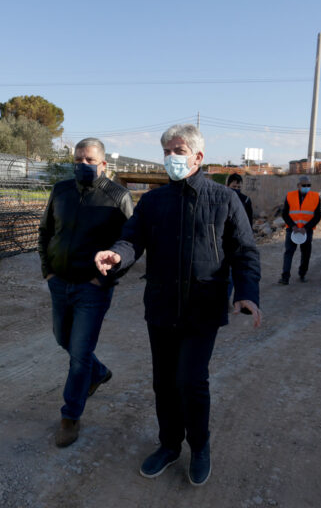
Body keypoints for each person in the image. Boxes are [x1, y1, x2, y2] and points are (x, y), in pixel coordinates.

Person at [94, 124, 261, 486]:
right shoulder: (153, 202)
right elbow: (131, 240)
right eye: (166, 152)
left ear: (198, 157)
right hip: (162, 307)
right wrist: (117, 256)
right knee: (164, 383)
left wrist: (246, 291)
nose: (171, 157)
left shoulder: (224, 200)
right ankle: (169, 445)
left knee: (191, 381)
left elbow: (244, 251)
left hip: (203, 308)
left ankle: (199, 447)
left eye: (178, 151)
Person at [38, 137, 134, 448]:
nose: (83, 165)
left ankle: (70, 415)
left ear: (103, 164)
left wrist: (103, 281)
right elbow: (45, 231)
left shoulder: (118, 197)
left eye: (90, 160)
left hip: (92, 289)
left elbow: (130, 244)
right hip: (59, 283)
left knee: (79, 355)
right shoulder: (61, 191)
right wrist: (48, 271)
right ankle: (99, 372)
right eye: (78, 159)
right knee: (62, 338)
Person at [278, 176, 321, 284]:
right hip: (292, 230)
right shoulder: (290, 196)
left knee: (306, 253)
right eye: (304, 185)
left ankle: (302, 274)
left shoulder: (315, 196)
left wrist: (306, 228)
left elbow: (317, 216)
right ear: (298, 185)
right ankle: (285, 277)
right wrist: (293, 226)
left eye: (308, 185)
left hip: (307, 231)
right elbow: (285, 213)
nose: (306, 187)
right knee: (289, 252)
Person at [226, 173, 254, 301]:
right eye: (234, 187)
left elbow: (249, 222)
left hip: (238, 241)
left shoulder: (246, 200)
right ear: (227, 185)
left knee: (234, 272)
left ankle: (229, 299)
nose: (236, 189)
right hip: (222, 241)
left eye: (238, 187)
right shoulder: (221, 198)